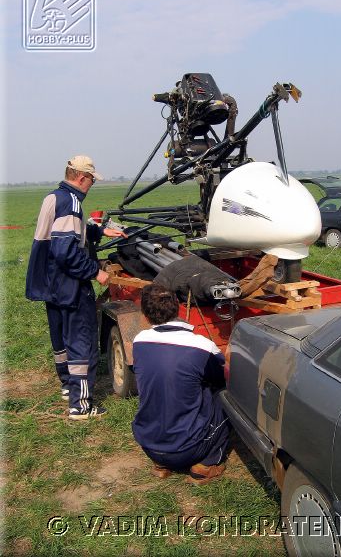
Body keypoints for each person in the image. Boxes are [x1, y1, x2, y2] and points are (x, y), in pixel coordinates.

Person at [26, 155, 127, 420]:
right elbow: (66, 251)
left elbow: (67, 233)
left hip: (51, 284)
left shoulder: (55, 196)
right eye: (92, 179)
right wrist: (96, 272)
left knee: (61, 337)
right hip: (70, 284)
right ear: (81, 177)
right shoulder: (71, 204)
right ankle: (81, 405)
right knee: (81, 339)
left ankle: (67, 384)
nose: (92, 184)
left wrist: (99, 232)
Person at [132, 283, 230, 484]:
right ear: (178, 308)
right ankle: (207, 465)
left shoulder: (139, 341)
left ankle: (161, 465)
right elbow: (222, 378)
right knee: (224, 396)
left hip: (148, 445)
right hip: (188, 449)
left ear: (145, 314)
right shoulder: (202, 346)